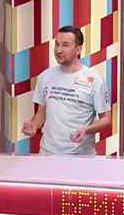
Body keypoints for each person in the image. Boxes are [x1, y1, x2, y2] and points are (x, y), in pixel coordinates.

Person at [22, 25, 111, 156]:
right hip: (47, 154)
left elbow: (106, 119)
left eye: (65, 45)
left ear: (78, 50)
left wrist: (86, 130)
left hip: (81, 156)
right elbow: (41, 112)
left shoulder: (95, 81)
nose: (59, 50)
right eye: (57, 44)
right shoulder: (45, 77)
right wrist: (34, 125)